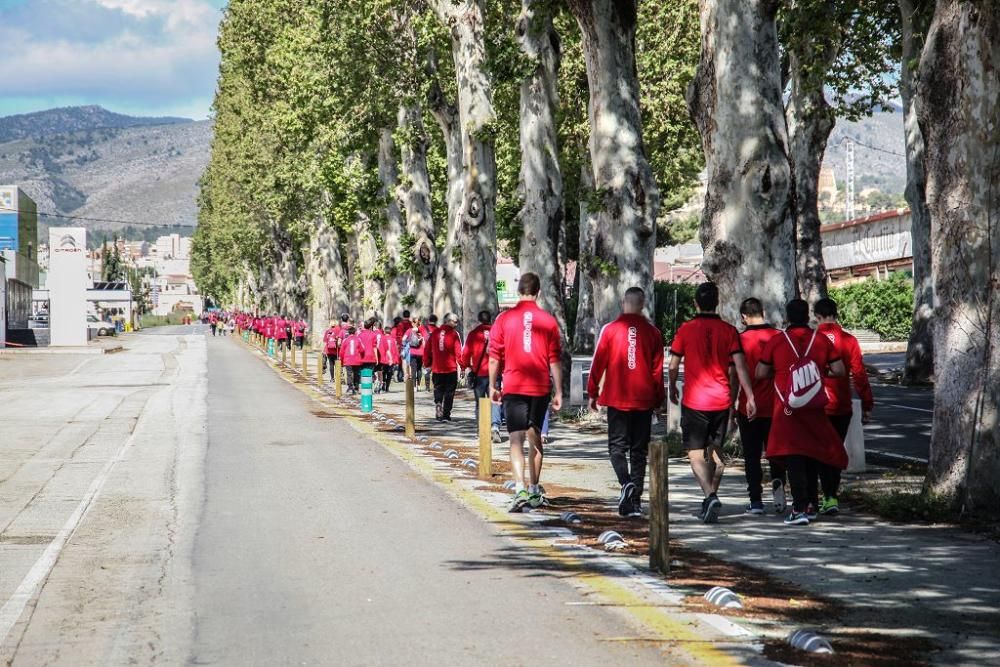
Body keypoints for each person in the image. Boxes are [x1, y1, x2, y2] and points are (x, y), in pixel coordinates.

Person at [668, 282, 756, 524]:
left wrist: (671, 386)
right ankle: (710, 499)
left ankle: (710, 495)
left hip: (695, 401)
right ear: (717, 302)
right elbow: (740, 367)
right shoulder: (730, 331)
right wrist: (749, 396)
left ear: (696, 303)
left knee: (696, 455)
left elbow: (673, 364)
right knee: (716, 455)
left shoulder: (685, 330)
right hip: (721, 401)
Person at [757, 298, 847, 525]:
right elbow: (839, 370)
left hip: (787, 407)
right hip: (814, 405)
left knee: (793, 453)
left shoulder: (777, 341)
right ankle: (812, 504)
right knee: (812, 452)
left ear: (786, 317)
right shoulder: (822, 340)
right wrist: (815, 372)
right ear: (808, 316)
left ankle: (798, 508)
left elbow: (760, 372)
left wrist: (782, 373)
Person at [489, 272, 563, 512]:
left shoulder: (504, 318)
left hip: (513, 386)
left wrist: (493, 385)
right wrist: (559, 390)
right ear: (538, 292)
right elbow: (554, 360)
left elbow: (494, 357)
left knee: (515, 439)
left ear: (519, 291)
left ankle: (519, 487)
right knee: (536, 437)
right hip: (540, 386)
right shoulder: (548, 320)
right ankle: (534, 489)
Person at [588, 286, 665, 517]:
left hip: (617, 399)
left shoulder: (610, 330)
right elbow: (657, 371)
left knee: (617, 447)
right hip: (643, 401)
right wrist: (659, 399)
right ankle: (635, 501)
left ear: (623, 302)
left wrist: (592, 392)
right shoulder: (654, 333)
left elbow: (598, 362)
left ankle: (625, 483)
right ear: (643, 304)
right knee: (639, 451)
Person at [814, 297, 874, 516]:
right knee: (836, 448)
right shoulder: (849, 340)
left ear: (817, 316)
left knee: (820, 451)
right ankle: (832, 495)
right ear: (836, 314)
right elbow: (859, 374)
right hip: (841, 405)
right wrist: (867, 404)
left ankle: (825, 495)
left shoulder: (813, 340)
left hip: (816, 405)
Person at [734, 297, 784, 515]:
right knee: (776, 452)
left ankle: (756, 501)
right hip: (776, 406)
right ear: (763, 311)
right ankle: (779, 492)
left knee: (752, 456)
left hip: (748, 405)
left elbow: (733, 374)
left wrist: (732, 400)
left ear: (744, 317)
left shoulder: (739, 340)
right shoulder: (779, 337)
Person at [461, 310, 502, 442]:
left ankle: (480, 430)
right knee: (495, 400)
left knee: (480, 403)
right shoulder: (498, 333)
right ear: (491, 319)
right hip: (495, 374)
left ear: (479, 319)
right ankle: (495, 427)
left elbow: (465, 353)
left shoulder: (473, 334)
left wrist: (466, 366)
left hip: (479, 374)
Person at [424, 313, 463, 421]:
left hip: (437, 368)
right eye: (455, 322)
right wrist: (463, 366)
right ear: (448, 321)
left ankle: (438, 403)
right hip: (450, 369)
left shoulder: (434, 333)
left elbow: (427, 350)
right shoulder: (454, 334)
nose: (456, 324)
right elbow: (458, 353)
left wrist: (427, 363)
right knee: (449, 392)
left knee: (438, 389)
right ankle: (446, 414)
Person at [339, 324, 365, 394]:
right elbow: (362, 350)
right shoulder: (358, 339)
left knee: (349, 373)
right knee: (356, 373)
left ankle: (350, 387)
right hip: (357, 360)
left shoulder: (345, 340)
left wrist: (341, 360)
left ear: (348, 333)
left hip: (348, 360)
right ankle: (356, 387)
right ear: (355, 332)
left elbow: (341, 352)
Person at [358, 317, 381, 391]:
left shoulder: (360, 335)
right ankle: (371, 385)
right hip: (371, 356)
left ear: (364, 326)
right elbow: (375, 347)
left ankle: (364, 388)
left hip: (362, 357)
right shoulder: (373, 335)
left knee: (362, 372)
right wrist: (377, 358)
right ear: (371, 326)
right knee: (370, 372)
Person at [406, 317, 426, 390]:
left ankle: (414, 386)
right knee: (419, 369)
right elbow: (425, 341)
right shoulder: (422, 330)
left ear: (413, 323)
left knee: (413, 369)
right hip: (421, 353)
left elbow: (404, 339)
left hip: (412, 352)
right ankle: (418, 385)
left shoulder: (409, 331)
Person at [378, 325, 400, 393]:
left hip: (384, 359)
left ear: (384, 331)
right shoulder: (393, 340)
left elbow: (381, 349)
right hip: (391, 359)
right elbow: (395, 350)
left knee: (384, 372)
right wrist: (396, 359)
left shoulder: (382, 338)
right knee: (390, 373)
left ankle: (383, 386)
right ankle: (387, 387)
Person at [420, 315, 439, 392]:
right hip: (436, 352)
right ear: (436, 321)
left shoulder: (423, 328)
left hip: (426, 351)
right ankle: (435, 386)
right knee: (435, 370)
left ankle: (427, 387)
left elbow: (413, 330)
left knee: (427, 370)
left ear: (428, 320)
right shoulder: (438, 330)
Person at [323, 317, 344, 383]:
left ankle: (332, 378)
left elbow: (325, 341)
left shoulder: (327, 331)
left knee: (331, 364)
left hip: (329, 350)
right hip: (336, 350)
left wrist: (324, 351)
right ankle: (338, 378)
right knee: (337, 364)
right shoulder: (338, 330)